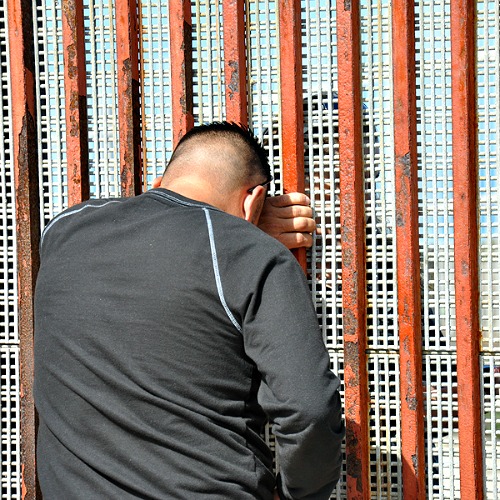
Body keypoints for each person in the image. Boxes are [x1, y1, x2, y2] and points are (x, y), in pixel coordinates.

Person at [34, 121, 345, 499]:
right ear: (255, 199)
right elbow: (309, 410)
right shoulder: (253, 256)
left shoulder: (63, 230)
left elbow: (156, 231)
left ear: (165, 177)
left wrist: (234, 226)